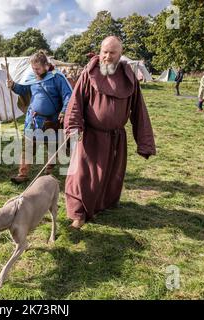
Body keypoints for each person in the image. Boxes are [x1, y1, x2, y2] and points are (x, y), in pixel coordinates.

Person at [64, 36, 156, 229]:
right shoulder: (89, 74)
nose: (106, 56)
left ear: (120, 54)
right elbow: (75, 103)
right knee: (81, 175)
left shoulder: (128, 78)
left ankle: (101, 205)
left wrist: (145, 142)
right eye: (104, 51)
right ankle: (78, 213)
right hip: (90, 136)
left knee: (110, 174)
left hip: (116, 138)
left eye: (112, 52)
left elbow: (140, 111)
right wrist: (73, 126)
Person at [7, 50, 73, 184]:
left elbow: (68, 95)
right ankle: (23, 174)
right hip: (33, 119)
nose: (35, 71)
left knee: (52, 147)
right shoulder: (32, 78)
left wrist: (64, 111)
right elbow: (23, 90)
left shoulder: (57, 77)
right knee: (28, 146)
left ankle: (48, 172)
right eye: (33, 68)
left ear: (46, 66)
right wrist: (13, 85)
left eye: (37, 68)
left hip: (52, 120)